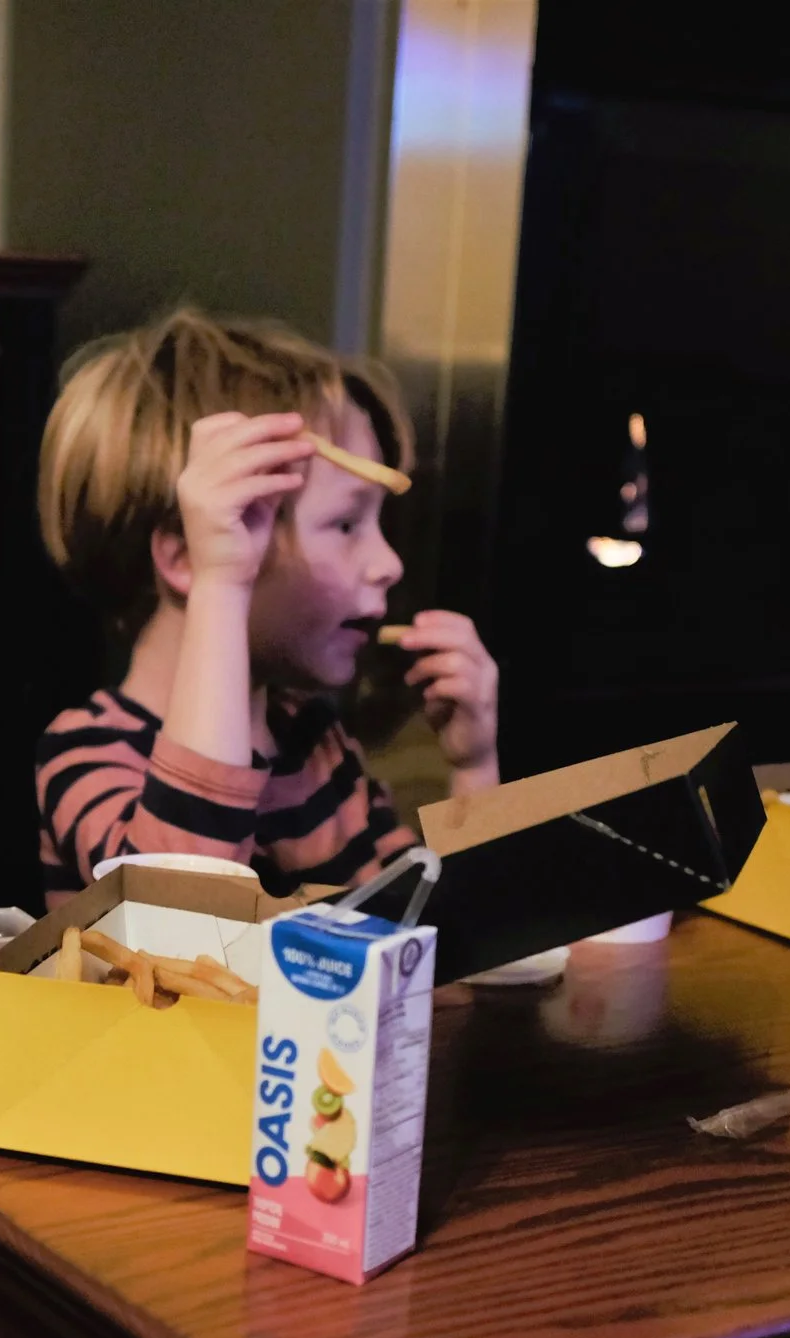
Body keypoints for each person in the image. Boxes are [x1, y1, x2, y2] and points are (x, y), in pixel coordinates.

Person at [32, 307, 503, 903]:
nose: (390, 563)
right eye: (347, 523)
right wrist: (221, 585)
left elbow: (431, 926)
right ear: (188, 558)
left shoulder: (316, 743)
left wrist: (473, 767)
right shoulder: (90, 754)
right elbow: (181, 916)